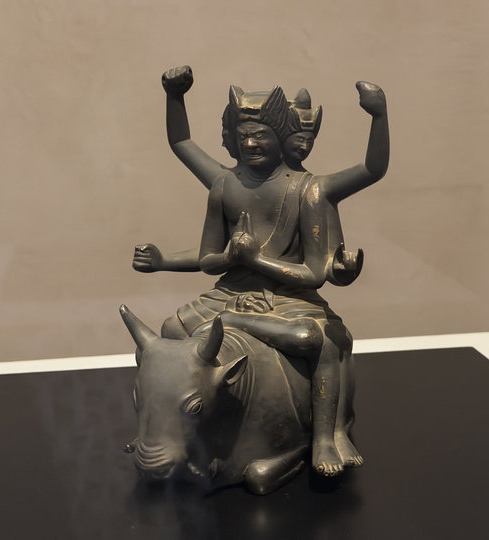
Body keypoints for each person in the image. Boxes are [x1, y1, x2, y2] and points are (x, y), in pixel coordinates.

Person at [133, 68, 388, 475]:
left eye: (260, 135)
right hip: (227, 294)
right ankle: (159, 428)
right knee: (168, 333)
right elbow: (182, 148)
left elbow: (314, 273)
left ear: (283, 139)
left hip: (291, 300)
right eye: (244, 135)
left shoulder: (309, 190)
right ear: (232, 139)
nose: (250, 143)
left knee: (316, 342)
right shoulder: (224, 184)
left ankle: (325, 436)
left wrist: (378, 116)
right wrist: (174, 96)